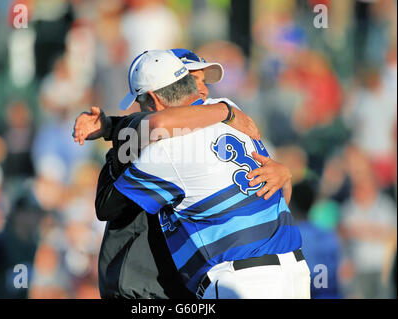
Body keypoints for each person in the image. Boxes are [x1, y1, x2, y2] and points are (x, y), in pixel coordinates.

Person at [74, 49, 293, 298]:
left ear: (153, 100)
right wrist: (225, 112)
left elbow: (106, 204)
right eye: (195, 80)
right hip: (289, 268)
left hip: (235, 279)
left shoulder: (166, 145)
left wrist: (285, 175)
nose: (204, 92)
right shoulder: (230, 112)